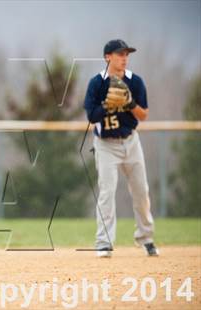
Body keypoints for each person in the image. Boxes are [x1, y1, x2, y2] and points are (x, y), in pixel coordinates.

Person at [84, 40, 159, 258]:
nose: (124, 58)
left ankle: (146, 239)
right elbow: (91, 116)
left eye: (126, 54)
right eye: (119, 54)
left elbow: (143, 115)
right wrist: (108, 104)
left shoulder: (135, 82)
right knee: (107, 192)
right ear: (108, 56)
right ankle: (103, 243)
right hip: (106, 145)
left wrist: (129, 104)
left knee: (141, 191)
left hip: (131, 141)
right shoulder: (97, 84)